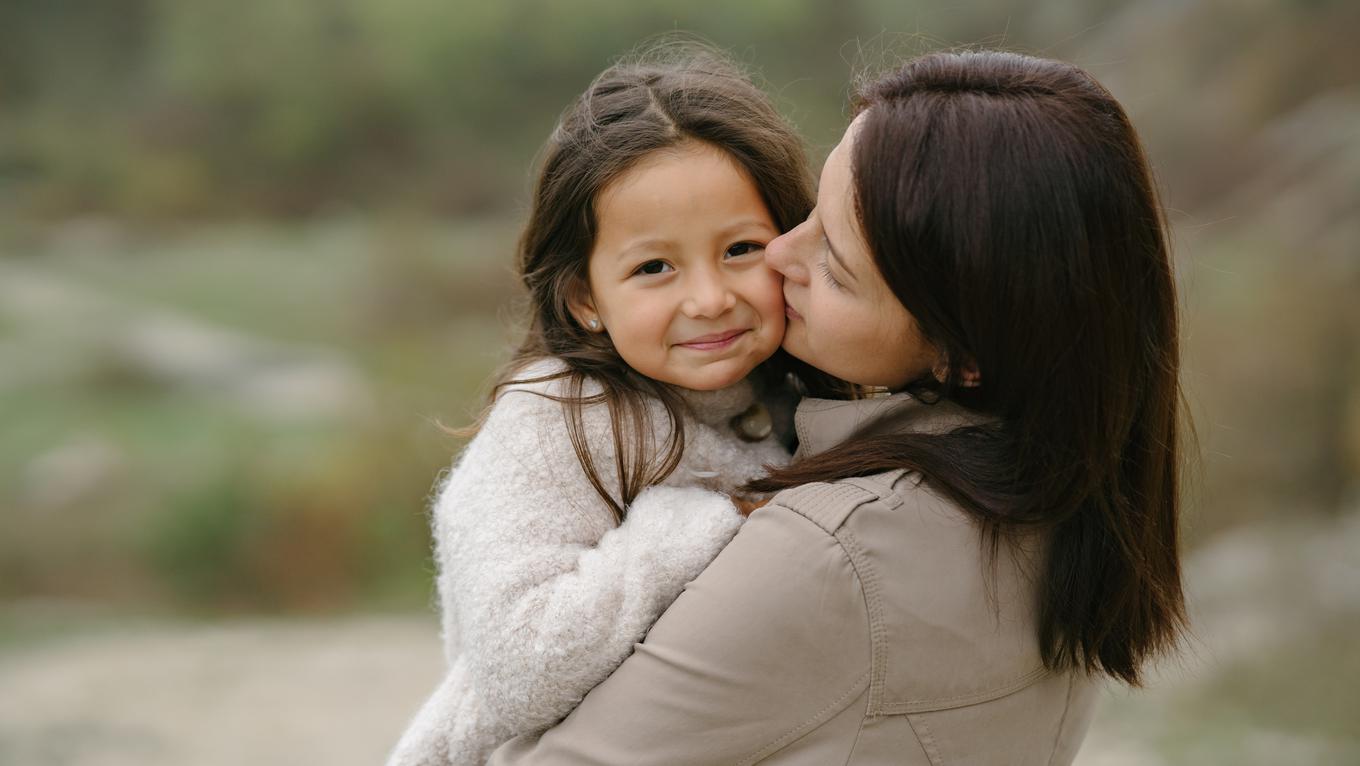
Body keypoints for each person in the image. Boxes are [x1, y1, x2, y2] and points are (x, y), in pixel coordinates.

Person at [489, 50, 1189, 765]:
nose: (780, 255)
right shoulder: (1064, 498)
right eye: (813, 213)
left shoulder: (833, 555)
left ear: (961, 353)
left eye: (836, 265)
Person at [383, 44, 844, 766]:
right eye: (655, 267)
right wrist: (711, 521)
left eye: (741, 249)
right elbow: (518, 668)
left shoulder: (788, 392)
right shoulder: (552, 422)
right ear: (586, 300)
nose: (709, 297)